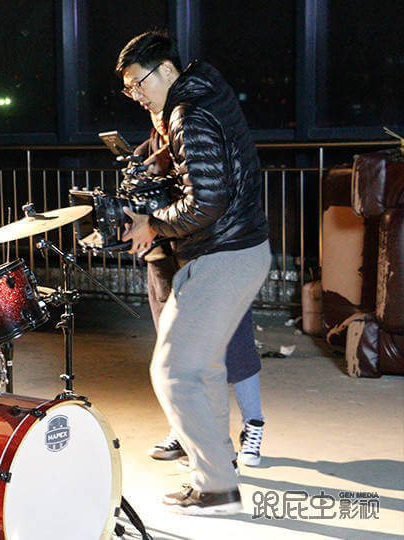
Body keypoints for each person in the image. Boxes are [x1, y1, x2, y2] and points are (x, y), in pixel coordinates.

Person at [116, 30, 271, 514]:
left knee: (173, 372)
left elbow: (207, 201)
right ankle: (218, 475)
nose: (136, 95)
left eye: (139, 84)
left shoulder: (189, 112)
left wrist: (152, 223)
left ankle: (215, 484)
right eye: (128, 89)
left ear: (166, 70)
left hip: (225, 253)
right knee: (203, 370)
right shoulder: (204, 94)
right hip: (237, 249)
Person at [136, 112, 266, 469]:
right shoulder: (149, 146)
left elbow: (214, 198)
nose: (153, 110)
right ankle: (184, 429)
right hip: (164, 257)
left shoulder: (205, 134)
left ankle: (253, 425)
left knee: (235, 344)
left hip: (214, 256)